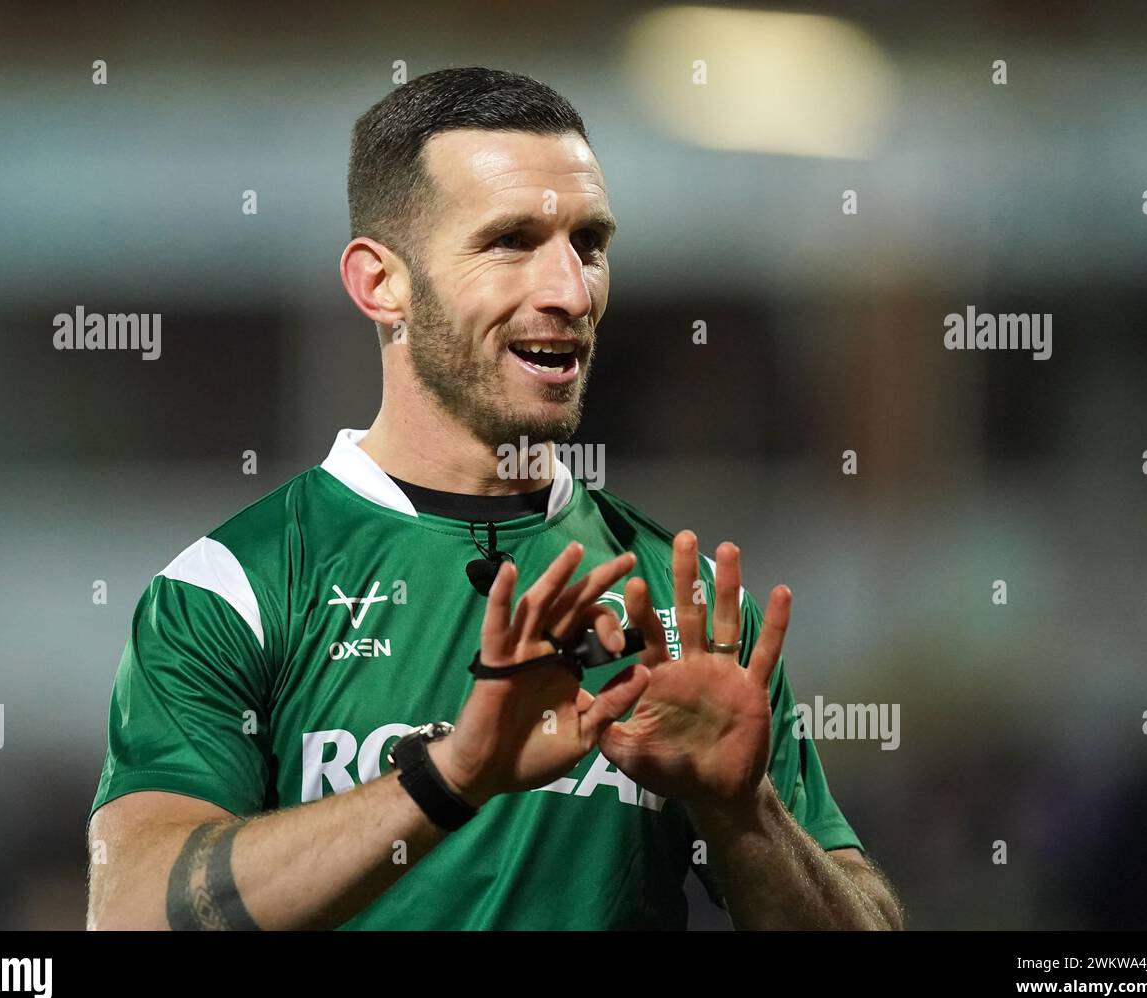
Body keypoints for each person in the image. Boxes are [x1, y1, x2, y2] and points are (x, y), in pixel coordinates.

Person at [86, 66, 903, 931]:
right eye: (511, 241)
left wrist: (746, 815)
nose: (571, 291)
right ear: (381, 285)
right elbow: (132, 911)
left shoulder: (682, 603)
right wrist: (450, 775)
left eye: (589, 243)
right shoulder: (235, 588)